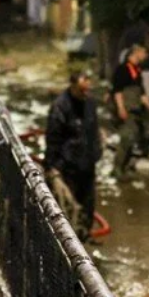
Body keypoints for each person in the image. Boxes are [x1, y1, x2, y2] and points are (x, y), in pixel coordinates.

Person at [45, 71, 102, 239]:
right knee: (68, 209)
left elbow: (93, 129)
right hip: (67, 166)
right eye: (81, 90)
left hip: (87, 163)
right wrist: (52, 167)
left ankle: (84, 237)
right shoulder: (61, 106)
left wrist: (97, 150)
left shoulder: (90, 103)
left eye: (87, 90)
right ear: (73, 86)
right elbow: (53, 138)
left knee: (87, 207)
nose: (85, 93)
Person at [111, 44, 149, 178]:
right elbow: (117, 91)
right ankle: (117, 168)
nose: (146, 56)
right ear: (136, 52)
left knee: (134, 138)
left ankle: (125, 166)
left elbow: (142, 94)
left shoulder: (137, 71)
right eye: (144, 53)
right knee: (127, 137)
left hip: (136, 109)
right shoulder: (122, 69)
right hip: (127, 109)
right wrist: (121, 108)